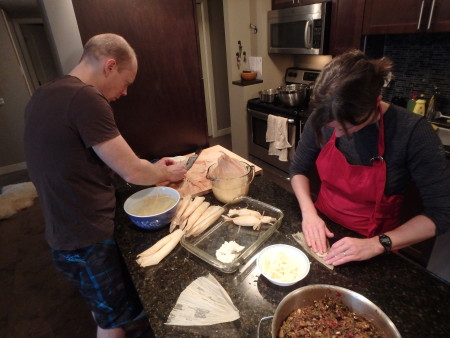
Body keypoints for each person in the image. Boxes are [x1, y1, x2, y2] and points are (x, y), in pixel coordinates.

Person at [24, 33, 186, 338]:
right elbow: (132, 173)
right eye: (126, 82)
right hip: (85, 238)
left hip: (63, 232)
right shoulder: (85, 98)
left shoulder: (44, 94)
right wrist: (165, 172)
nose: (125, 93)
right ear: (110, 66)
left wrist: (149, 168)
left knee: (105, 308)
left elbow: (79, 160)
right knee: (113, 323)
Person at [290, 49, 450, 267]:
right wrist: (309, 214)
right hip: (323, 225)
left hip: (375, 243)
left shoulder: (413, 133)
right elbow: (298, 169)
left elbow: (441, 213)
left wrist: (378, 243)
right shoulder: (324, 115)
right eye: (331, 126)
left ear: (377, 100)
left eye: (348, 127)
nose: (336, 134)